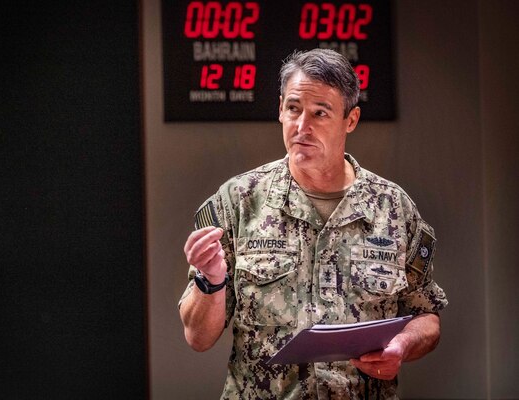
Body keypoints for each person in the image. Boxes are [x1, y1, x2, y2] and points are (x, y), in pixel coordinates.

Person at [178, 48, 448, 399]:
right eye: (293, 109)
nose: (301, 126)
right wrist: (210, 282)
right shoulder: (239, 202)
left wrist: (402, 346)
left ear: (350, 120)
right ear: (280, 109)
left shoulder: (392, 208)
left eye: (320, 113)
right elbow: (198, 338)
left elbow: (426, 317)